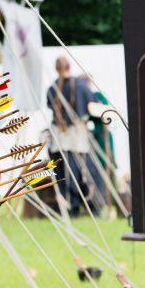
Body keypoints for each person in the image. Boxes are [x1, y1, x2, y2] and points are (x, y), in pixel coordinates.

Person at [46, 57, 104, 216]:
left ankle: (73, 207)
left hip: (61, 138)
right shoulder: (80, 86)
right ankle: (88, 207)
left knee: (65, 171)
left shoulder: (52, 87)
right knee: (82, 171)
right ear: (69, 67)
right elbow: (93, 107)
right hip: (77, 137)